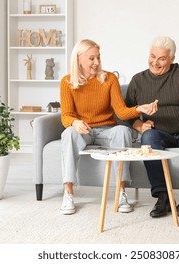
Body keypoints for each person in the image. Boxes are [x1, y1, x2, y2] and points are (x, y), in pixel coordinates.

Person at [59, 39, 158, 215]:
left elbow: (120, 111)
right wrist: (75, 123)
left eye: (98, 57)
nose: (97, 62)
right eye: (91, 58)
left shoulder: (109, 78)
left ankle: (121, 193)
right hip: (84, 130)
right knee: (68, 133)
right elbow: (66, 115)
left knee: (122, 130)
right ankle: (68, 194)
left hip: (107, 130)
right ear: (79, 59)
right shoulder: (67, 82)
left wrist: (138, 109)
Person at [125, 36, 179, 221]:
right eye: (152, 56)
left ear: (172, 59)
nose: (155, 62)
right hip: (159, 131)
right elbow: (123, 111)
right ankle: (163, 197)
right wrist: (139, 125)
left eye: (162, 58)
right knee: (147, 140)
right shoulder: (138, 80)